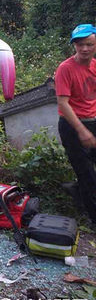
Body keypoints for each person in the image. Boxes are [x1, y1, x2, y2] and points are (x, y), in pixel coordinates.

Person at [55, 23, 96, 223]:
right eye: (80, 44)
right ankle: (93, 218)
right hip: (72, 126)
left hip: (93, 122)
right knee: (86, 173)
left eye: (89, 44)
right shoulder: (65, 69)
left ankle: (77, 194)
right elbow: (63, 103)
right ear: (74, 45)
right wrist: (82, 130)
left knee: (89, 173)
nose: (85, 49)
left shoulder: (95, 66)